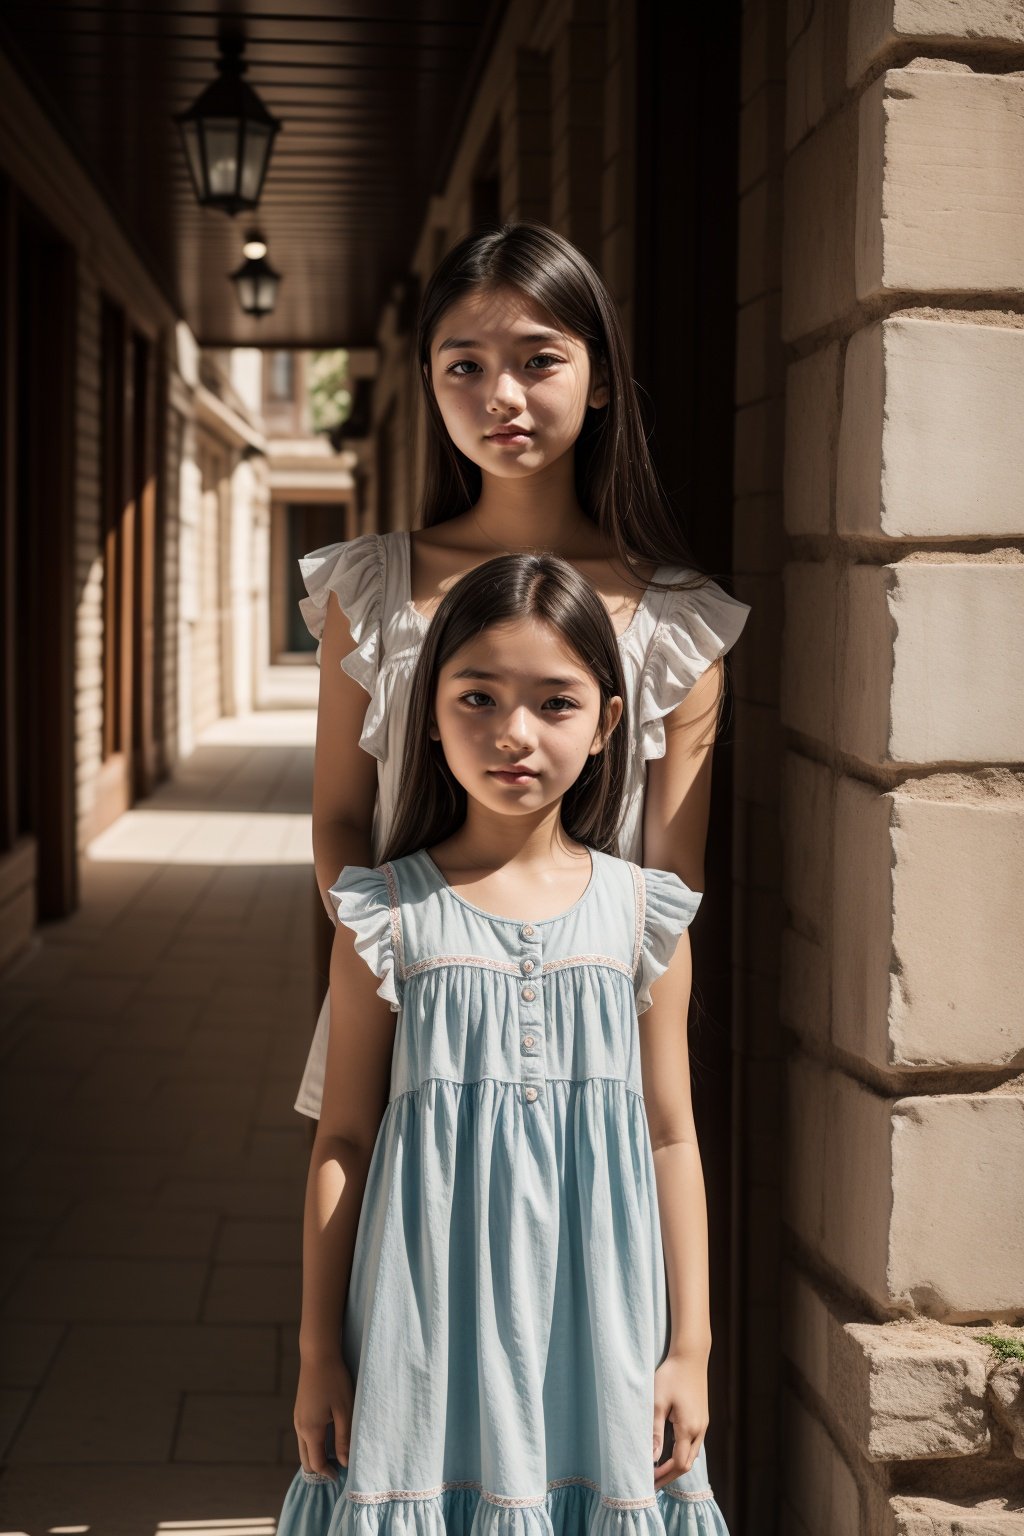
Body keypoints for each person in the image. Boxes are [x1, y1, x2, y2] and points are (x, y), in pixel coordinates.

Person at [278, 552, 732, 1536]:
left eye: (555, 702)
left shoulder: (643, 918)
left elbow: (669, 1135)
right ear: (428, 713)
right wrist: (320, 1350)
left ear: (610, 722)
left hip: (599, 1322)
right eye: (476, 696)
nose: (511, 733)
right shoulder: (383, 918)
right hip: (421, 1323)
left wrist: (687, 1347)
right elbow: (345, 1139)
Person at [293, 220, 750, 1130]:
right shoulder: (373, 589)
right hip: (415, 1016)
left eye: (539, 359)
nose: (501, 394)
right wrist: (406, 966)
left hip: (589, 1043)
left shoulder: (676, 620)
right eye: (464, 365)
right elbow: (341, 818)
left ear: (603, 378)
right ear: (428, 381)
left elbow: (669, 880)